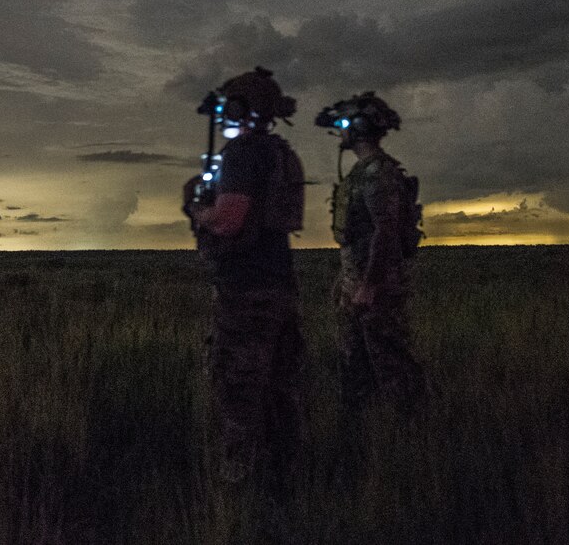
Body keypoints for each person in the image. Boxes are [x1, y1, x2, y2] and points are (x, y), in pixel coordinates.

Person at [182, 67, 307, 488]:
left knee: (239, 393)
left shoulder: (242, 154)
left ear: (240, 109)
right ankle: (287, 482)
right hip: (279, 283)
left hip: (246, 290)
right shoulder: (279, 152)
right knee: (281, 390)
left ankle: (238, 490)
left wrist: (199, 212)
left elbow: (231, 219)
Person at [314, 91, 427, 412]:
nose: (342, 131)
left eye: (346, 124)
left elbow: (386, 231)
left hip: (378, 287)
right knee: (357, 360)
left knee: (390, 359)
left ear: (360, 128)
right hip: (359, 283)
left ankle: (413, 428)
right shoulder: (362, 173)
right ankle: (367, 432)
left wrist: (370, 284)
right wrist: (348, 279)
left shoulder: (379, 174)